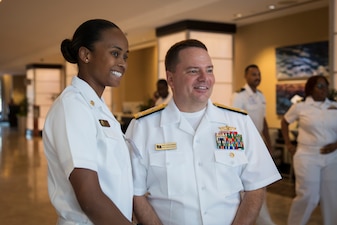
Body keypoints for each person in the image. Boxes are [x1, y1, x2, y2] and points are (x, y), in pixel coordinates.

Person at [125, 39, 281, 225]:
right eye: (193, 71)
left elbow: (256, 185)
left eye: (209, 70)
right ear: (171, 78)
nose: (204, 78)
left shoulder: (239, 122)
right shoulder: (144, 127)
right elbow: (135, 193)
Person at [42, 19, 133, 225]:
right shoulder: (73, 106)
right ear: (86, 55)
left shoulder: (95, 106)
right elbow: (89, 197)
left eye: (125, 56)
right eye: (115, 53)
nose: (123, 63)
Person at [281, 75, 337, 225]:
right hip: (307, 156)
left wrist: (336, 145)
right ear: (311, 88)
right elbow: (285, 122)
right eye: (319, 86)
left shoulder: (334, 106)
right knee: (309, 196)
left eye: (325, 85)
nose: (324, 89)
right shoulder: (301, 106)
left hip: (332, 157)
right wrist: (288, 144)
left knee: (332, 196)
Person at [231, 64, 275, 225]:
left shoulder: (261, 95)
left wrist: (268, 143)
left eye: (259, 74)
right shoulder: (239, 96)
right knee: (250, 187)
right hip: (244, 147)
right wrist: (236, 153)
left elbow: (263, 120)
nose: (257, 77)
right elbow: (233, 123)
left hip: (259, 146)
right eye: (253, 74)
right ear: (246, 76)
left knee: (259, 184)